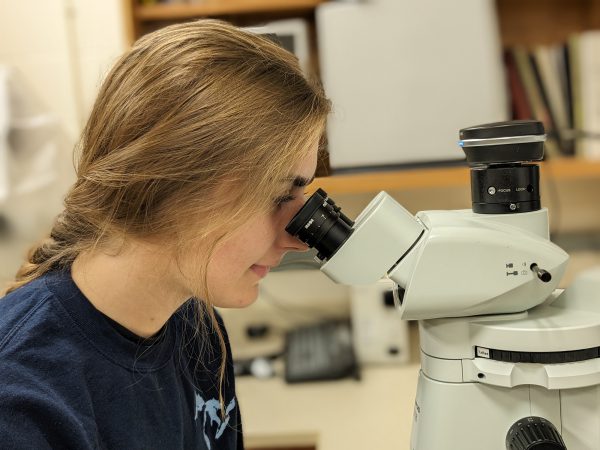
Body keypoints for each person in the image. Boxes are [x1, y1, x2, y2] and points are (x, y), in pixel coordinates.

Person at [0, 19, 330, 449]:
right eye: (278, 197)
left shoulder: (197, 328)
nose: (297, 239)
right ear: (177, 185)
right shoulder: (21, 402)